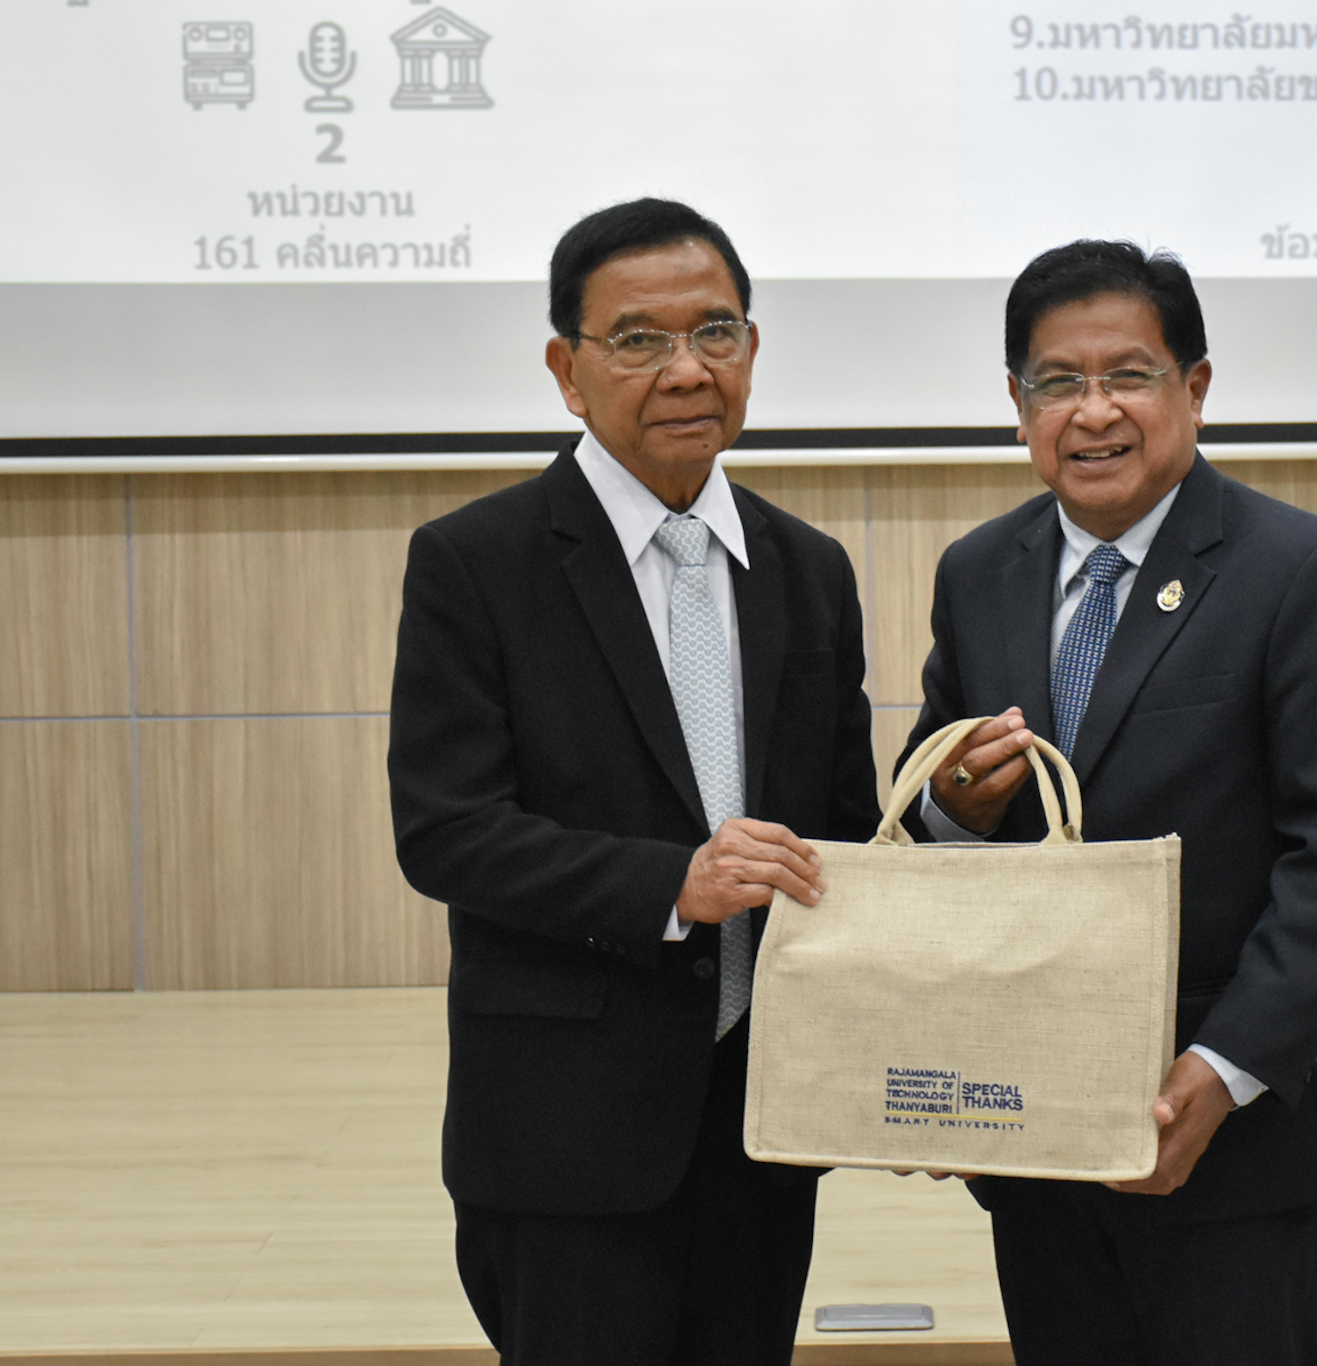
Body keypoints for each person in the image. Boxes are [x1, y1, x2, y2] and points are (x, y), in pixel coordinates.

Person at [901, 239, 1317, 1366]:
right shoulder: (978, 571)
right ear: (1016, 405)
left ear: (1194, 386)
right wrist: (952, 806)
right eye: (1057, 383)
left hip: (1228, 1132)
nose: (1093, 412)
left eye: (1127, 375)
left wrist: (1219, 1074)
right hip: (1032, 1121)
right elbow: (931, 812)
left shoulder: (1304, 570)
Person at [388, 197, 880, 1364]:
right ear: (567, 371)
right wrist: (673, 885)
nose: (686, 369)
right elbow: (445, 830)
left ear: (751, 349)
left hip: (762, 1124)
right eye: (638, 339)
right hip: (565, 1130)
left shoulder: (808, 571)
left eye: (715, 332)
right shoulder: (475, 562)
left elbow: (843, 834)